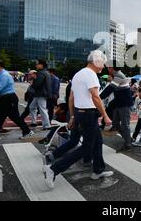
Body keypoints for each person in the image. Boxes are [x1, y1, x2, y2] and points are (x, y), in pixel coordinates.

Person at [44, 50, 113, 189]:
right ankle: (54, 169)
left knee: (97, 142)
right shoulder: (91, 75)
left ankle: (98, 170)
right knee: (87, 147)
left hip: (80, 113)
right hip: (88, 114)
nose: (103, 66)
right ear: (96, 62)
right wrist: (105, 115)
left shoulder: (78, 74)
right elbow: (95, 97)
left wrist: (73, 116)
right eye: (103, 63)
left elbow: (71, 98)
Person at [100, 63, 133, 153]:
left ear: (112, 68)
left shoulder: (119, 75)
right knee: (115, 124)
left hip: (124, 104)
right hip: (119, 104)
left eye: (109, 67)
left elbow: (109, 89)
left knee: (125, 125)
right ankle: (128, 139)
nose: (107, 69)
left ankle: (128, 144)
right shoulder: (116, 76)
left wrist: (98, 98)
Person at [29, 59, 52, 130]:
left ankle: (47, 125)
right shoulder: (45, 72)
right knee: (32, 107)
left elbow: (37, 84)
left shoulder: (41, 73)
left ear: (41, 65)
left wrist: (32, 82)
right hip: (40, 94)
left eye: (37, 64)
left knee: (42, 109)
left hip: (41, 94)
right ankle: (34, 122)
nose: (36, 65)